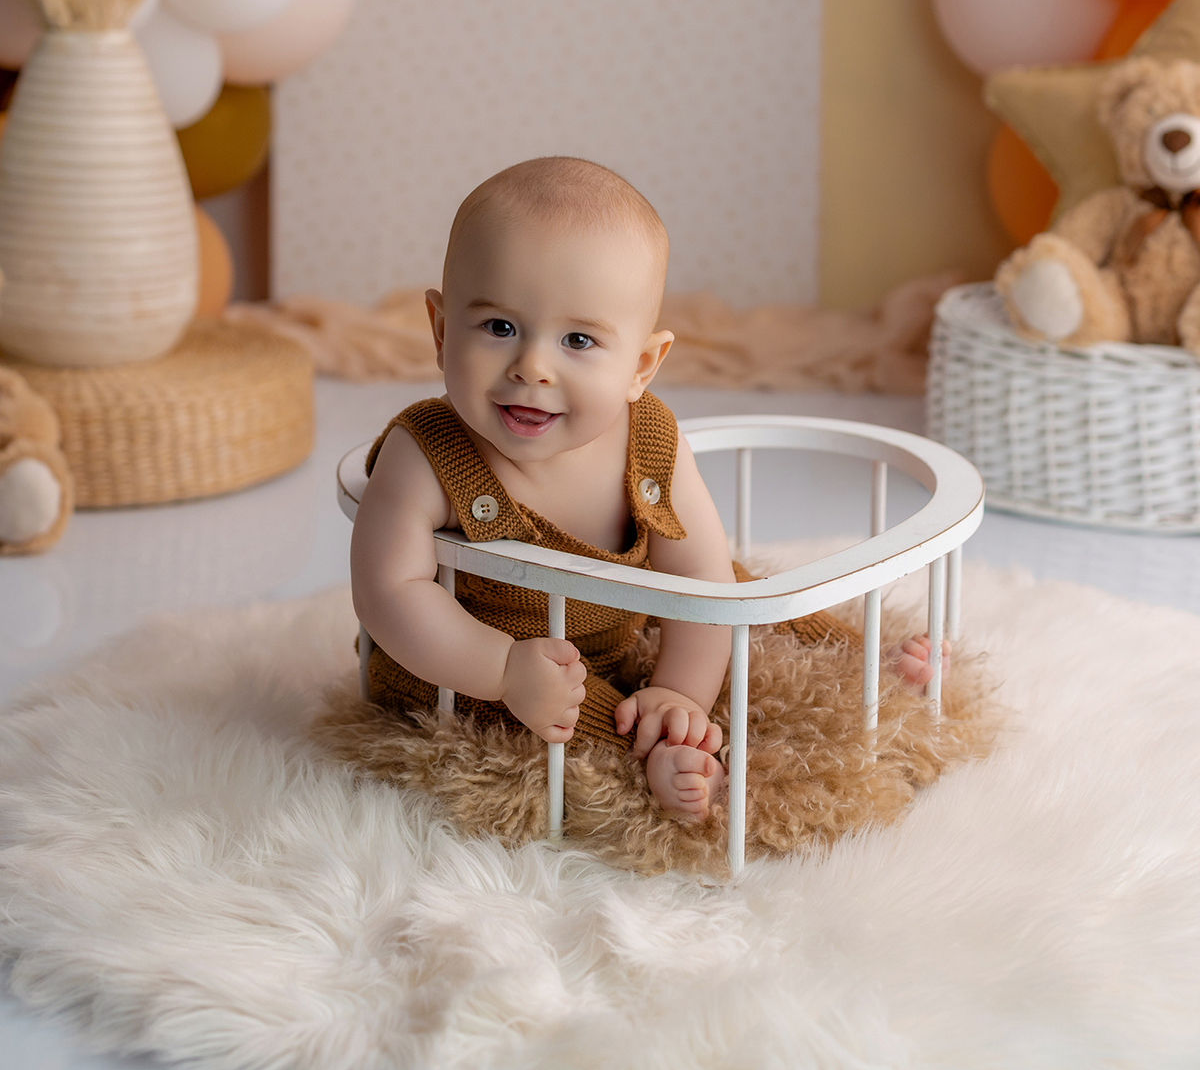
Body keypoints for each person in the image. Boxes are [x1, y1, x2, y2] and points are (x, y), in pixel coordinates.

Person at [349, 155, 946, 823]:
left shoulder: (649, 441)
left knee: (734, 588)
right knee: (556, 709)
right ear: (438, 330)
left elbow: (703, 583)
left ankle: (850, 652)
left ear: (641, 366)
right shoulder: (426, 451)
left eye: (578, 340)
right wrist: (500, 669)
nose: (532, 367)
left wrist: (679, 695)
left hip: (610, 634)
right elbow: (387, 593)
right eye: (499, 328)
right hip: (468, 666)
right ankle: (652, 756)